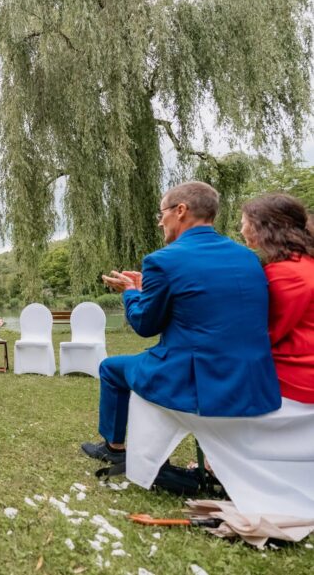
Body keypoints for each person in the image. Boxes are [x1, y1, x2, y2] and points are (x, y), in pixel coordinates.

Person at [81, 181, 281, 464]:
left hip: (196, 379)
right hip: (252, 379)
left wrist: (130, 293)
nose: (160, 221)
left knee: (111, 368)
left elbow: (145, 325)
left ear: (181, 211)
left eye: (161, 213)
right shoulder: (248, 257)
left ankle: (114, 448)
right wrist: (146, 289)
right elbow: (203, 303)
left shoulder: (163, 261)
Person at [240, 193, 314, 403]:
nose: (241, 230)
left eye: (244, 223)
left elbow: (267, 332)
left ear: (261, 227)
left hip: (296, 375)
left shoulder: (285, 273)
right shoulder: (304, 263)